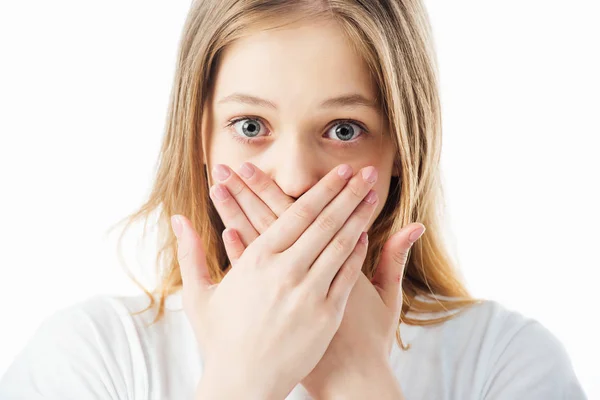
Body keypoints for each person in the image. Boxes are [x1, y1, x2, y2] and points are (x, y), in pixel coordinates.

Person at [0, 1, 587, 399]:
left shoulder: (506, 361)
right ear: (200, 136)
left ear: (402, 151)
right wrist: (240, 378)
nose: (293, 180)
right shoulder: (91, 354)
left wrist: (358, 376)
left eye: (343, 129)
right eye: (251, 126)